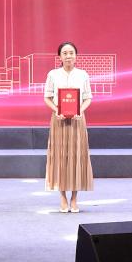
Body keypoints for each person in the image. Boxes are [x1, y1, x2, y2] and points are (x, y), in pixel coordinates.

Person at [44, 41, 93, 213]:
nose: (68, 56)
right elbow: (47, 97)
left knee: (76, 157)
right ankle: (63, 197)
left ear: (76, 56)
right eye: (64, 53)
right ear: (59, 56)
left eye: (71, 52)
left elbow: (88, 98)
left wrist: (81, 110)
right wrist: (56, 110)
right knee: (60, 157)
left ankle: (74, 198)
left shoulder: (83, 75)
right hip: (59, 120)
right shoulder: (53, 74)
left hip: (78, 120)